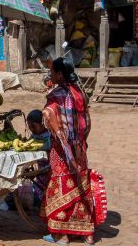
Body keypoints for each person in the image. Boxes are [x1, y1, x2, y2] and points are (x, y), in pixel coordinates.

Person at [41, 57, 95, 245]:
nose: (50, 75)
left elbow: (49, 115)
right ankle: (87, 233)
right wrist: (80, 143)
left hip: (62, 150)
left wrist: (52, 127)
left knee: (60, 185)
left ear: (60, 74)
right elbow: (87, 122)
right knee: (81, 185)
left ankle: (61, 234)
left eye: (53, 72)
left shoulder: (56, 95)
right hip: (80, 148)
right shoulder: (80, 93)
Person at [26, 110, 51, 207]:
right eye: (29, 126)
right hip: (39, 177)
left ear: (42, 124)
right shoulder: (34, 136)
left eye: (34, 126)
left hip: (48, 174)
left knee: (34, 199)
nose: (32, 129)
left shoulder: (49, 137)